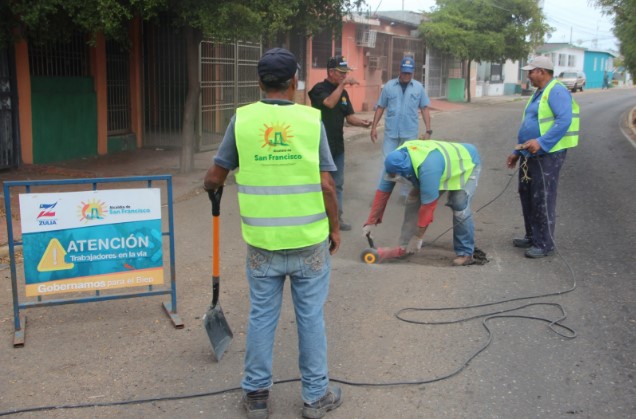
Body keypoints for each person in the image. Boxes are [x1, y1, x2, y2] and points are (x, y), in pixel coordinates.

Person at [204, 48, 343, 419]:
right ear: (295, 82)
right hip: (309, 241)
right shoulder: (311, 121)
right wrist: (334, 227)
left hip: (262, 244)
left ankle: (257, 397)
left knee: (262, 315)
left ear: (259, 83)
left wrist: (211, 185)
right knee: (310, 316)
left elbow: (215, 176)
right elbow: (327, 186)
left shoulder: (243, 119)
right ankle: (316, 398)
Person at [362, 139, 481, 266]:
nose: (393, 177)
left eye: (396, 175)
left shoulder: (428, 169)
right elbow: (383, 193)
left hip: (466, 164)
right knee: (413, 199)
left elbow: (428, 207)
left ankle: (466, 253)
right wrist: (371, 221)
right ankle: (404, 246)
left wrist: (418, 237)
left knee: (459, 204)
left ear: (405, 170)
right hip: (440, 166)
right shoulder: (393, 160)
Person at [506, 56, 579, 258]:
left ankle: (544, 243)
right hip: (530, 154)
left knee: (542, 197)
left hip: (548, 155)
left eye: (531, 71)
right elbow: (530, 126)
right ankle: (532, 235)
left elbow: (564, 121)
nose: (528, 75)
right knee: (527, 193)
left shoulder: (556, 91)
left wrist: (542, 142)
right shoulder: (539, 93)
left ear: (542, 72)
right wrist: (517, 152)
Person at [308, 56, 371, 231]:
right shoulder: (318, 90)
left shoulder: (343, 93)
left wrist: (362, 123)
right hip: (320, 147)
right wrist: (342, 85)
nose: (344, 76)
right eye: (341, 73)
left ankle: (337, 218)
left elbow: (349, 116)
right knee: (322, 184)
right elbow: (328, 103)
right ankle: (319, 218)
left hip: (337, 147)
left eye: (346, 73)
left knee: (338, 184)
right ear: (331, 72)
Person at [370, 56, 432, 197]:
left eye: (409, 73)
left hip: (409, 133)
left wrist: (428, 130)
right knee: (386, 163)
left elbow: (425, 109)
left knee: (406, 164)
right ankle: (381, 195)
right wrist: (373, 128)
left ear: (413, 72)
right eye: (404, 72)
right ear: (400, 70)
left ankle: (404, 195)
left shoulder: (418, 88)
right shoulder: (389, 86)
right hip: (391, 133)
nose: (406, 75)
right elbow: (380, 107)